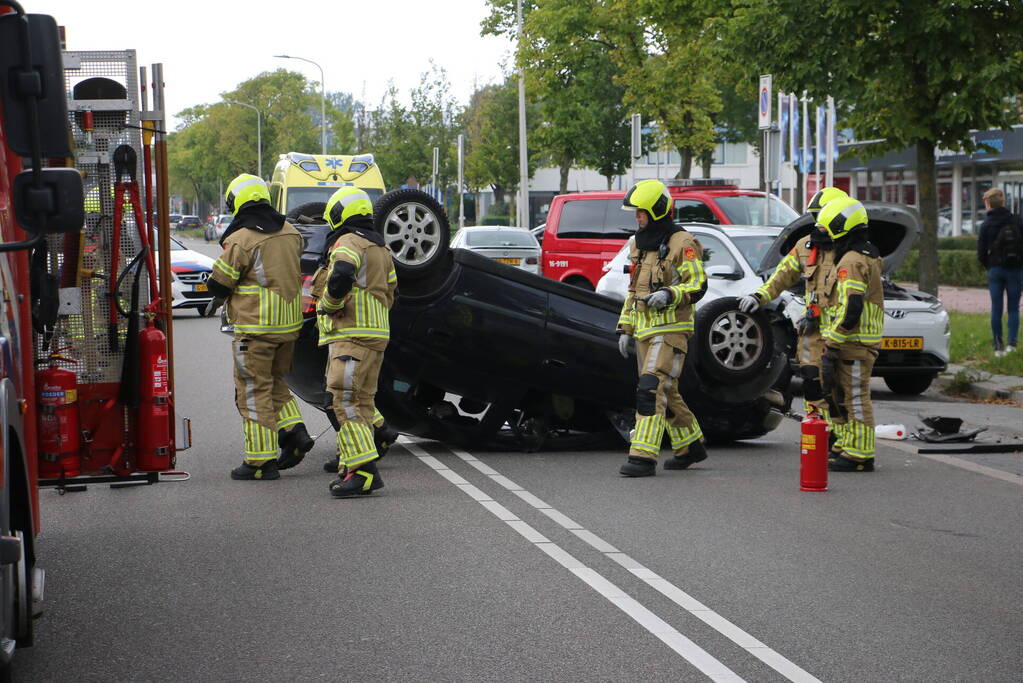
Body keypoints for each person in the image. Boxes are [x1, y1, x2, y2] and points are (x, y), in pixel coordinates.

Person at [207, 174, 314, 480]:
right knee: (275, 382)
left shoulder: (241, 239)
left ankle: (259, 462)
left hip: (255, 329)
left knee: (252, 392)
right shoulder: (292, 233)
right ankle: (294, 432)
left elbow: (220, 282)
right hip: (288, 328)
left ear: (238, 201)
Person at [615, 179, 708, 477]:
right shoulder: (637, 243)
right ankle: (691, 445)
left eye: (641, 212)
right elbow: (633, 289)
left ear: (656, 210)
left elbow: (698, 284)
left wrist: (670, 294)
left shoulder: (683, 243)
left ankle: (642, 457)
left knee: (650, 389)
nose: (637, 217)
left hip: (672, 329)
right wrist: (625, 327)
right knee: (667, 390)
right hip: (644, 330)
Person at [313, 186, 398, 497]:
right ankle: (353, 468)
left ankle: (363, 472)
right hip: (377, 336)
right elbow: (392, 294)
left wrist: (332, 305)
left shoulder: (348, 241)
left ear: (340, 214)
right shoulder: (382, 249)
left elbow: (341, 274)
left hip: (351, 336)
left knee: (343, 401)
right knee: (362, 403)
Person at [738, 186, 848, 423]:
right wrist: (759, 296)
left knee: (840, 387)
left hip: (843, 332)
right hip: (814, 329)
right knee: (811, 381)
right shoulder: (806, 245)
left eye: (823, 217)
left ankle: (841, 439)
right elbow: (781, 276)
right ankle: (818, 431)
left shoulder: (851, 250)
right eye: (816, 217)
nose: (818, 223)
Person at [816, 197, 883, 472]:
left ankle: (861, 453)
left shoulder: (852, 261)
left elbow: (851, 306)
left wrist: (833, 340)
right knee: (841, 396)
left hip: (854, 342)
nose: (826, 237)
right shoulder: (862, 255)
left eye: (829, 231)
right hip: (851, 341)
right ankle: (845, 444)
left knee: (855, 397)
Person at [976, 187, 1023, 356]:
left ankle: (998, 347)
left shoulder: (987, 225)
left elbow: (981, 253)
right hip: (1015, 270)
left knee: (996, 308)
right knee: (1013, 308)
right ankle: (1012, 344)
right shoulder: (1017, 220)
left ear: (988, 203)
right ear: (1003, 202)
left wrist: (989, 265)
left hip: (995, 270)